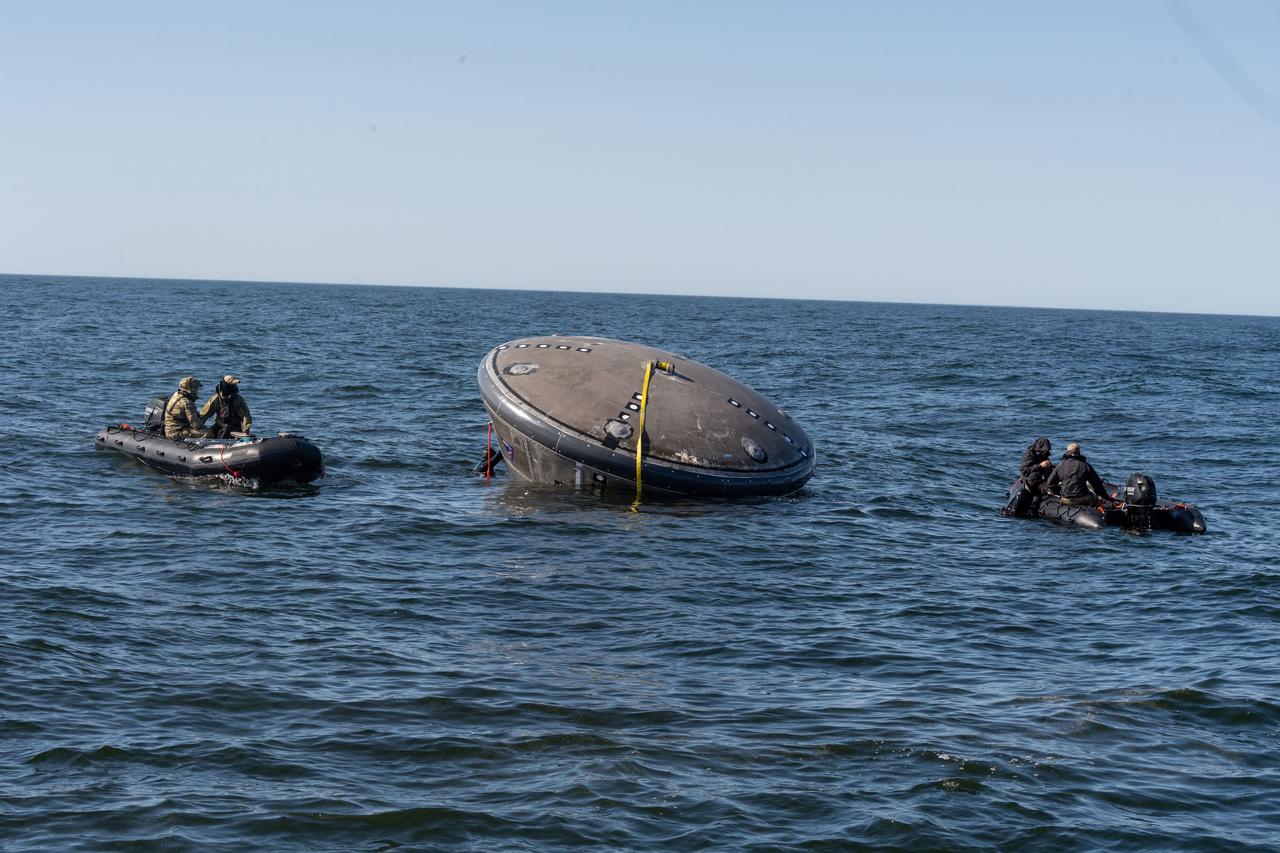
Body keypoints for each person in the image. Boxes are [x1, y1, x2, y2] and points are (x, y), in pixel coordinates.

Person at [1045, 442, 1113, 506]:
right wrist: (1107, 498)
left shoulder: (1060, 465)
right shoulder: (1086, 466)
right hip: (1082, 499)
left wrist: (1058, 492)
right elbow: (1097, 485)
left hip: (1065, 499)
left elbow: (1050, 483)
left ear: (1067, 451)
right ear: (1079, 452)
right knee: (1094, 495)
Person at [200, 374, 253, 439]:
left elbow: (246, 415)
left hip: (234, 427)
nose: (234, 387)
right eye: (232, 385)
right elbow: (204, 414)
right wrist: (199, 428)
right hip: (219, 425)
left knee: (224, 433)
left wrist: (245, 431)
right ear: (226, 386)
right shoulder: (216, 399)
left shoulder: (238, 399)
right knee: (206, 435)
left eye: (234, 385)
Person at [163, 376, 211, 440]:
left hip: (170, 430)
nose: (197, 391)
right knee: (208, 433)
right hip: (176, 433)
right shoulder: (187, 402)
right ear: (191, 389)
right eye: (196, 388)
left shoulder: (176, 394)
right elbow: (195, 425)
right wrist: (203, 420)